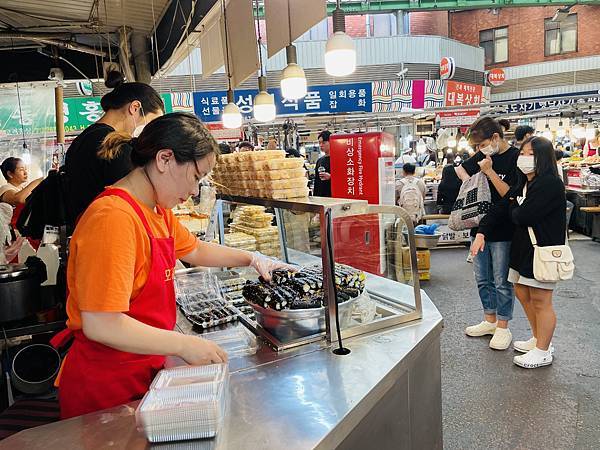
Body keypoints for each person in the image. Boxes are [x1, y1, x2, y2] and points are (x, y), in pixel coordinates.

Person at [55, 113, 293, 419]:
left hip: (141, 371)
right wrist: (183, 344)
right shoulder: (112, 219)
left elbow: (193, 249)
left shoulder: (156, 210)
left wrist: (251, 258)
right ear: (165, 159)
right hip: (105, 390)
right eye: (196, 177)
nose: (195, 191)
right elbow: (102, 323)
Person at [472, 137, 566, 368]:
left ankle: (543, 350)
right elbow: (503, 207)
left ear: (543, 157)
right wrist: (482, 231)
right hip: (523, 249)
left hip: (543, 250)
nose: (524, 158)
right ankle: (537, 338)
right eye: (523, 152)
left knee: (542, 300)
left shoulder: (550, 183)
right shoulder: (523, 183)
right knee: (523, 292)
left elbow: (522, 216)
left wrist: (514, 207)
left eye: (531, 153)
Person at [456, 117, 522, 350]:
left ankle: (503, 327)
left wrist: (490, 173)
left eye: (481, 144)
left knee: (502, 281)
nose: (478, 150)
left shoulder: (515, 158)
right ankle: (489, 320)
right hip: (479, 226)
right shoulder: (482, 156)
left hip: (504, 228)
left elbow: (510, 196)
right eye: (475, 147)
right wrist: (475, 185)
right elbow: (460, 170)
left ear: (495, 138)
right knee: (482, 278)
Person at [64, 80, 165, 229]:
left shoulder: (83, 138)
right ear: (135, 107)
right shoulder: (113, 145)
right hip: (104, 231)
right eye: (151, 123)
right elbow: (133, 199)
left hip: (83, 228)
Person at [0, 157, 43, 227]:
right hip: (11, 232)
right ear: (10, 174)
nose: (26, 172)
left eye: (25, 169)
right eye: (21, 170)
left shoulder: (24, 187)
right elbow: (19, 200)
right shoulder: (5, 189)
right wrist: (39, 180)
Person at [313, 130, 332, 197]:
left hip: (334, 197)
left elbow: (344, 178)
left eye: (323, 142)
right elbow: (316, 182)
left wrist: (330, 177)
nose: (321, 145)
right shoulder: (320, 161)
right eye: (319, 143)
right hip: (322, 198)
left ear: (331, 142)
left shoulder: (338, 160)